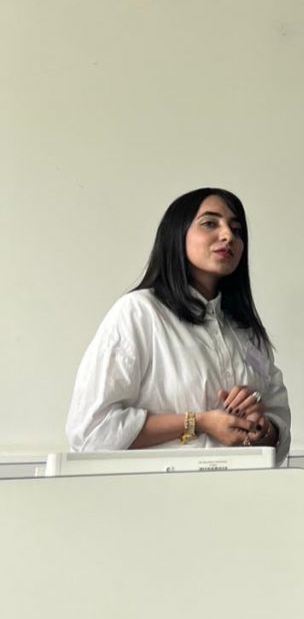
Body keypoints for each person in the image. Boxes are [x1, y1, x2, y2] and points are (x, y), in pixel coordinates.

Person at [66, 188, 291, 462]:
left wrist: (260, 426)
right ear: (177, 233)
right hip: (159, 487)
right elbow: (92, 432)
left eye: (236, 229)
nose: (228, 236)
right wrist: (198, 422)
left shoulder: (246, 330)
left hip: (242, 485)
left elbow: (278, 430)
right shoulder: (140, 312)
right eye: (210, 223)